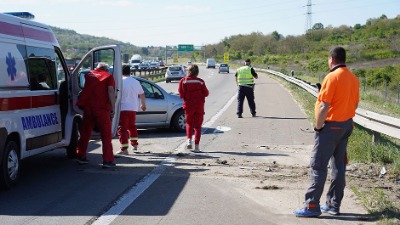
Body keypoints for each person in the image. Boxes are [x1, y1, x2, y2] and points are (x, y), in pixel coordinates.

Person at [294, 47, 360, 217]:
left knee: (318, 165)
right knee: (338, 166)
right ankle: (333, 205)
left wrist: (318, 126)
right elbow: (355, 104)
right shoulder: (353, 78)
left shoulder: (332, 77)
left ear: (331, 59)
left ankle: (312, 206)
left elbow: (324, 106)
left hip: (331, 127)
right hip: (346, 126)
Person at [75, 62, 117, 168]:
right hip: (101, 109)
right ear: (106, 69)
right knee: (106, 135)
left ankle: (81, 155)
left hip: (88, 108)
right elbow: (111, 91)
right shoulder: (108, 76)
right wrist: (113, 107)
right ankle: (107, 160)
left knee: (85, 133)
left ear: (96, 68)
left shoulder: (89, 75)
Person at [178, 64, 209, 152]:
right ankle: (197, 146)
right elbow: (206, 93)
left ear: (188, 71)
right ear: (197, 72)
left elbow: (181, 94)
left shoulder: (183, 81)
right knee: (198, 126)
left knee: (188, 123)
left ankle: (188, 140)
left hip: (188, 105)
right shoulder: (200, 81)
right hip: (199, 105)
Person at [116, 65, 146, 155]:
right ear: (130, 72)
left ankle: (124, 149)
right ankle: (134, 145)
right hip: (133, 108)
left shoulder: (120, 82)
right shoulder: (136, 82)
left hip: (123, 108)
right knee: (132, 126)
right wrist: (143, 105)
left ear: (121, 72)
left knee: (122, 129)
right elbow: (142, 94)